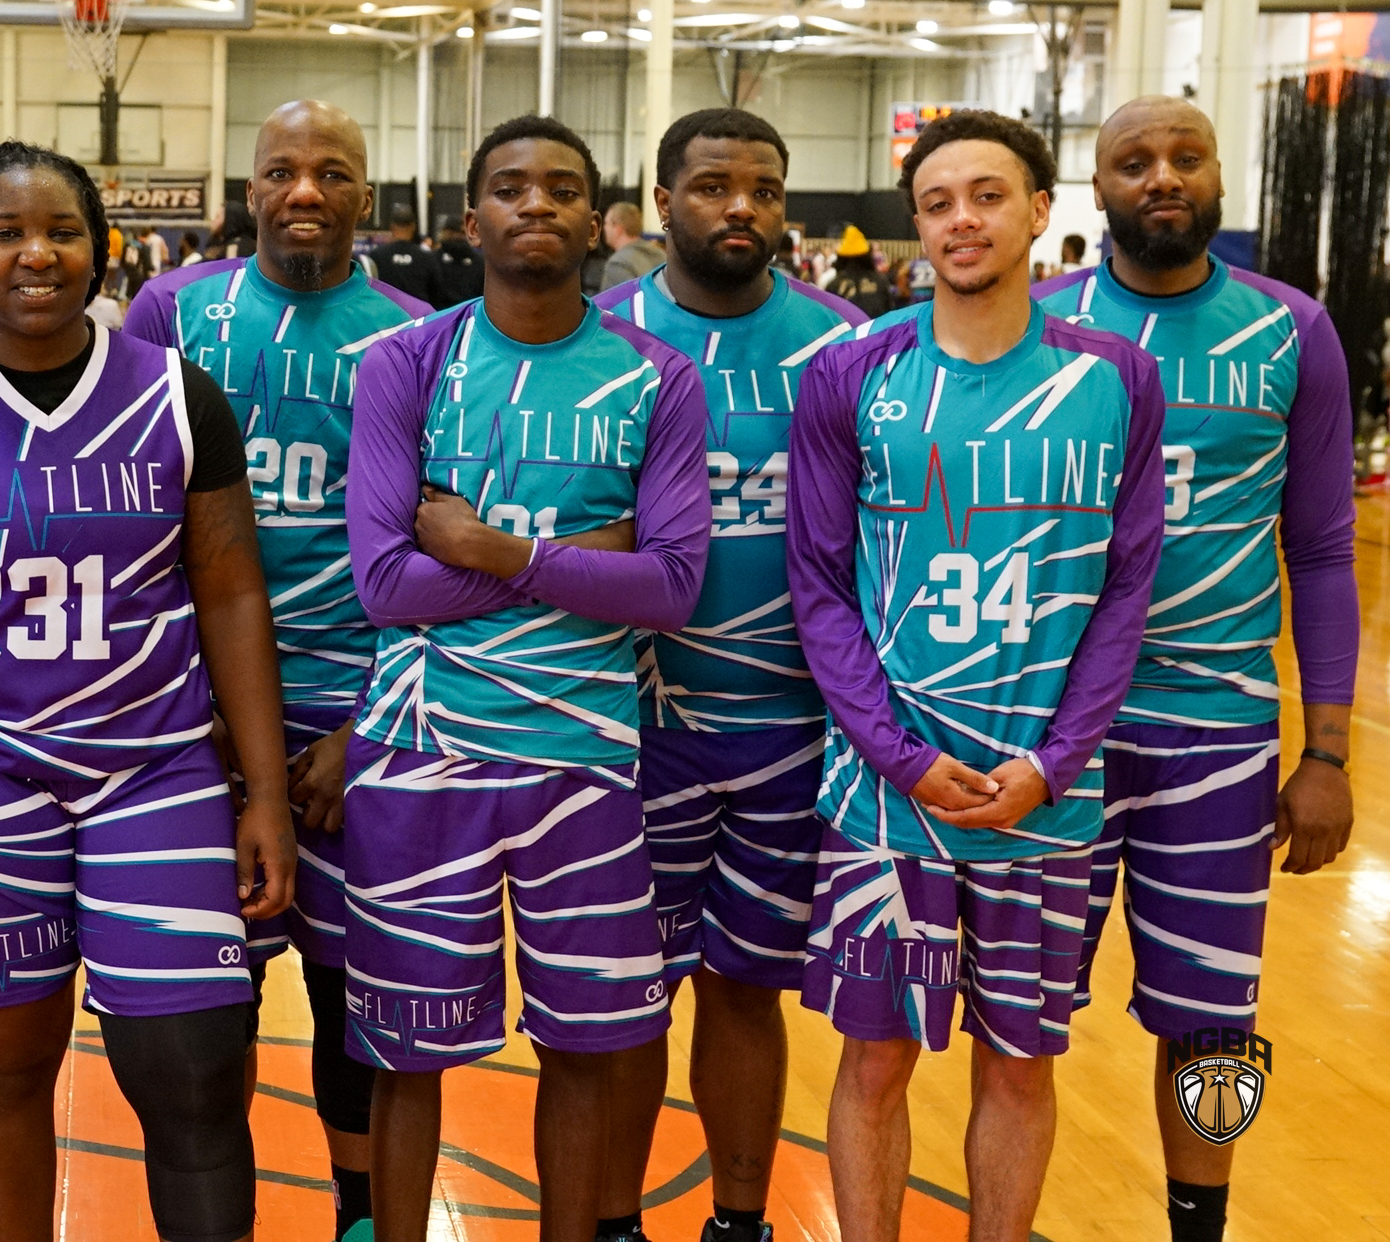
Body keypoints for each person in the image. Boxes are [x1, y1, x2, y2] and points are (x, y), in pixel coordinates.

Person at [0, 140, 295, 1242]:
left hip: (156, 766)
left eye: (63, 232)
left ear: (101, 251)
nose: (37, 254)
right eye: (6, 233)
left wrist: (262, 792)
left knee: (192, 1067)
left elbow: (231, 600)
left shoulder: (181, 399)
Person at [786, 109, 1165, 1241]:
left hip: (1043, 798)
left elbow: (1124, 589)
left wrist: (1054, 764)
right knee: (874, 1062)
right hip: (887, 798)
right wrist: (898, 756)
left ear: (1042, 212)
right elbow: (818, 584)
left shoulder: (1118, 378)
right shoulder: (852, 374)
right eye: (940, 201)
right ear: (914, 224)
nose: (964, 219)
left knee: (1018, 1068)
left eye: (989, 195)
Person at [343, 114, 710, 1242]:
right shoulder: (406, 361)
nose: (534, 204)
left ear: (599, 221)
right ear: (472, 220)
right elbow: (383, 585)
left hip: (583, 757)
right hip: (419, 748)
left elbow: (674, 586)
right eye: (510, 188)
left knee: (587, 1045)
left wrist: (498, 552)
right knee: (408, 1055)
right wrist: (582, 562)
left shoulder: (659, 375)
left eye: (560, 188)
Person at [1031, 94, 1359, 1242]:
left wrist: (1324, 750)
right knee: (1016, 1014)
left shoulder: (1290, 330)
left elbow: (1319, 550)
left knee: (1215, 1021)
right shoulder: (1033, 323)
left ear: (1220, 176)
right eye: (1134, 161)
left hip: (1217, 734)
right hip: (1048, 731)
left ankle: (1198, 1228)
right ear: (1096, 189)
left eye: (1185, 156)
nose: (1161, 177)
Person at [123, 99, 433, 1242]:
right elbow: (125, 516)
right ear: (246, 189)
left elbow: (439, 546)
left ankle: (357, 1218)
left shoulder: (417, 337)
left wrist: (367, 728)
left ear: (367, 195)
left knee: (361, 1009)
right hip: (193, 726)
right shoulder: (171, 312)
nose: (305, 190)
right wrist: (184, 709)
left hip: (363, 720)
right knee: (213, 1018)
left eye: (332, 172)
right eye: (281, 171)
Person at [593, 107, 869, 1242]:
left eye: (761, 186)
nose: (739, 207)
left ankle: (739, 1222)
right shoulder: (597, 335)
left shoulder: (849, 345)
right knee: (621, 1000)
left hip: (790, 728)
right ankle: (613, 1221)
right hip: (630, 721)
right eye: (711, 186)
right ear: (662, 204)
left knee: (746, 991)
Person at [369, 204, 439, 307]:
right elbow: (436, 292)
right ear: (413, 227)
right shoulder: (426, 257)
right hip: (419, 317)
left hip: (386, 315)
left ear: (391, 226)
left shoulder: (377, 256)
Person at [823, 225, 894, 320]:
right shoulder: (880, 281)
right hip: (876, 332)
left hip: (847, 333)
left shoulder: (834, 285)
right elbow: (889, 313)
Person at [595, 201, 662, 295]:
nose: (603, 228)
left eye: (606, 223)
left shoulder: (617, 264)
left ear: (617, 229)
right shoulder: (660, 254)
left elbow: (611, 306)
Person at [430, 219, 484, 306]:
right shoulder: (432, 260)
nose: (457, 236)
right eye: (452, 233)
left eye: (461, 233)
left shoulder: (480, 263)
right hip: (440, 313)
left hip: (470, 313)